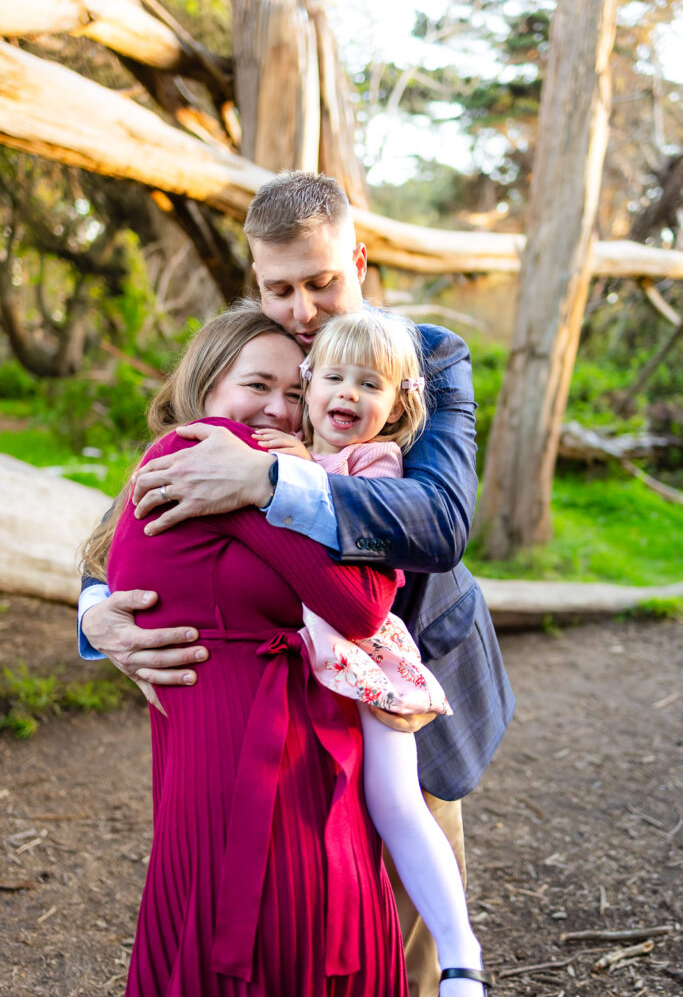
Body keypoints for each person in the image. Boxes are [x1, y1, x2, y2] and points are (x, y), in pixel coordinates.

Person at [79, 171, 515, 997]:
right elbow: (127, 518)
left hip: (401, 683)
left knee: (404, 928)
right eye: (279, 288)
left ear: (356, 258)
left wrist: (270, 484)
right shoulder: (251, 364)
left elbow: (440, 518)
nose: (303, 309)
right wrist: (97, 610)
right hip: (279, 708)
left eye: (321, 281)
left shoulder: (423, 355)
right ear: (256, 282)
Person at [82, 302, 408, 995]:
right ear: (203, 388)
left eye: (295, 393)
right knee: (271, 924)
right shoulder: (210, 458)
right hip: (251, 751)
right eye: (256, 386)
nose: (281, 410)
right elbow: (359, 604)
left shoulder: (236, 465)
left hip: (266, 736)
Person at [255, 308, 491, 995]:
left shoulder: (372, 459)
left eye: (368, 385)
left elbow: (377, 510)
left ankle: (457, 953)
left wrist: (286, 474)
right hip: (301, 655)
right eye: (331, 378)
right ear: (306, 381)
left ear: (397, 407)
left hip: (360, 646)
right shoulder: (291, 438)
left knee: (392, 798)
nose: (346, 395)